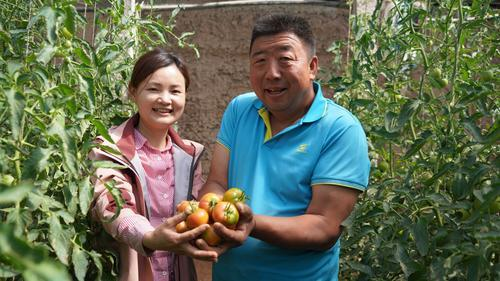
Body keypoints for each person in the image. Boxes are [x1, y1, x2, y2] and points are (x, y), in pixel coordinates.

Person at [195, 14, 370, 281]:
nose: (272, 73)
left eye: (285, 60)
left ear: (312, 66)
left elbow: (324, 227)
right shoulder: (240, 109)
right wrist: (207, 214)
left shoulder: (340, 129)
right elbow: (218, 182)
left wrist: (250, 224)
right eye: (260, 61)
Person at [89, 48, 218, 281]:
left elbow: (197, 212)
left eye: (175, 91)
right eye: (154, 89)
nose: (165, 99)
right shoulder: (109, 148)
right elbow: (111, 206)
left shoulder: (190, 155)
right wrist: (150, 237)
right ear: (133, 92)